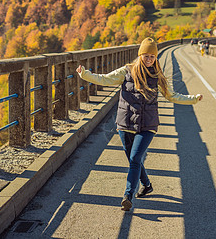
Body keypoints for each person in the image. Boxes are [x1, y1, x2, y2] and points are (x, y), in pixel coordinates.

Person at [76, 38, 203, 211]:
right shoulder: (126, 71)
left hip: (147, 125)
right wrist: (85, 74)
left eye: (152, 56)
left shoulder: (157, 76)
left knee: (135, 158)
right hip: (125, 123)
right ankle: (147, 184)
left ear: (156, 57)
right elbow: (105, 79)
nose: (149, 59)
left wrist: (193, 99)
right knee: (133, 159)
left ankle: (128, 195)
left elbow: (172, 96)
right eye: (146, 55)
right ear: (140, 55)